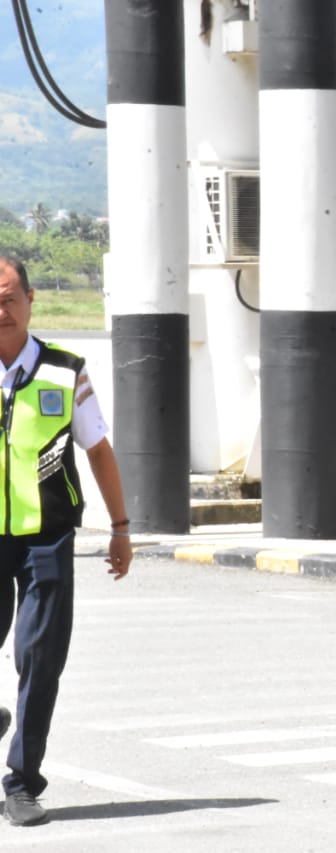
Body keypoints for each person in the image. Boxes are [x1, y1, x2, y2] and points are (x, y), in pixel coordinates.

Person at [0, 256, 132, 827]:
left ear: (31, 301)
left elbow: (98, 449)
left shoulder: (65, 371)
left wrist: (121, 529)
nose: (1, 308)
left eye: (9, 296)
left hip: (47, 540)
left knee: (39, 658)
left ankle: (22, 783)